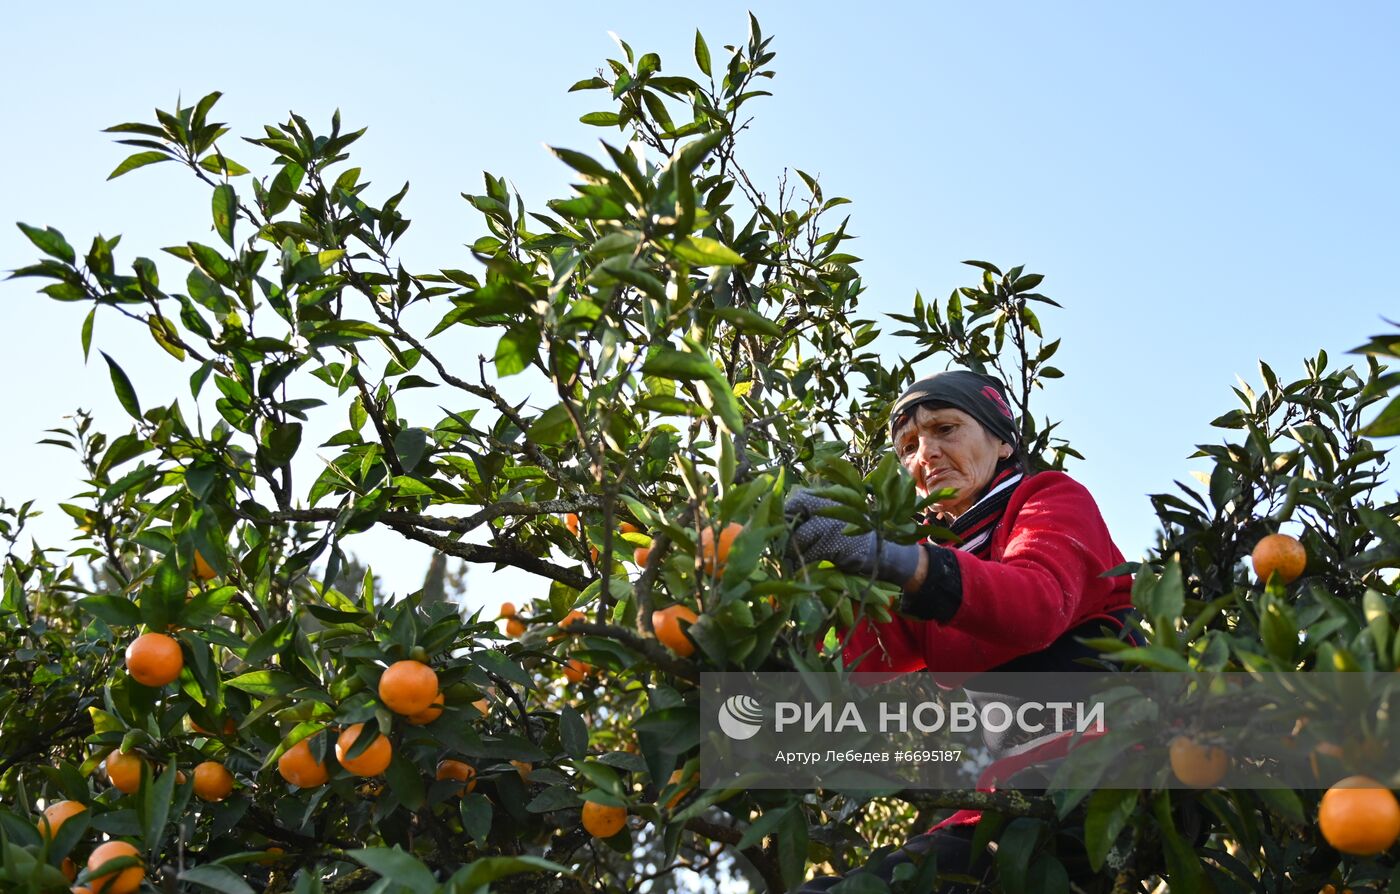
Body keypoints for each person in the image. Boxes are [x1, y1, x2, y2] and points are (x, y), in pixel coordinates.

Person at [784, 369, 1142, 891]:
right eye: (908, 446)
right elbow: (847, 665)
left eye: (946, 429)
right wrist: (794, 581)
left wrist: (895, 559)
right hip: (1018, 803)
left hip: (1116, 771)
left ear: (1002, 441)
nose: (923, 455)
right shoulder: (930, 565)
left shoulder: (1049, 498)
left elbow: (1037, 603)